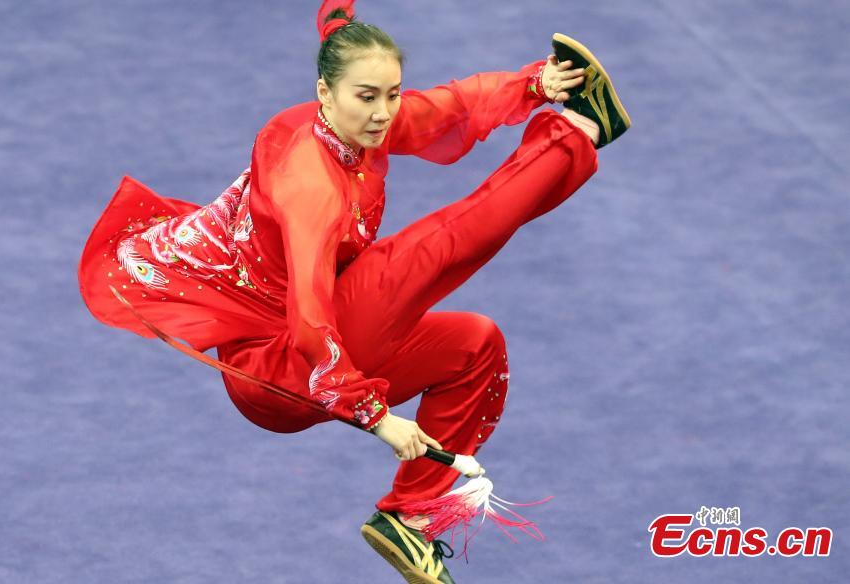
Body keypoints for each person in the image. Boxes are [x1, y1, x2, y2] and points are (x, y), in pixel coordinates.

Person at [77, 1, 630, 581]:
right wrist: (378, 417)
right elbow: (312, 315)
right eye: (368, 97)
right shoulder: (309, 183)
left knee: (476, 346)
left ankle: (410, 519)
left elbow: (447, 107)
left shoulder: (361, 118)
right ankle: (580, 133)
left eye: (392, 94)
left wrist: (535, 83)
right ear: (325, 92)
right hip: (283, 366)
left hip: (314, 348)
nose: (384, 113)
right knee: (444, 242)